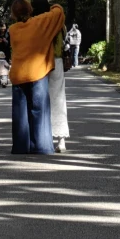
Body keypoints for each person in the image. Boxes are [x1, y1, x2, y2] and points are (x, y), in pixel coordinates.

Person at [8, 0, 65, 154]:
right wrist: (54, 5)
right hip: (37, 72)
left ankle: (20, 147)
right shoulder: (40, 23)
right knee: (39, 111)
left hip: (18, 74)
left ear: (13, 14)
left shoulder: (13, 30)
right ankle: (41, 146)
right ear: (30, 10)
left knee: (20, 114)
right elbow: (58, 13)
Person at [48, 16, 70, 152]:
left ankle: (44, 138)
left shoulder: (40, 22)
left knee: (42, 100)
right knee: (58, 99)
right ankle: (61, 140)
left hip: (41, 61)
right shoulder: (61, 24)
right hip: (57, 61)